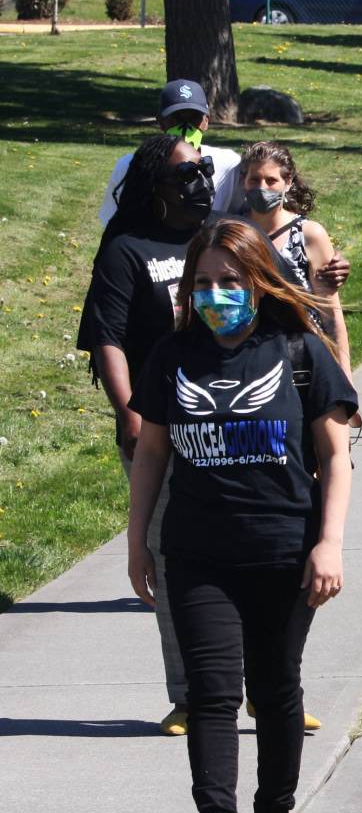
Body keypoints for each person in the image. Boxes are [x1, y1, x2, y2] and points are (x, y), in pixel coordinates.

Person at [127, 217, 357, 813]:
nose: (215, 293)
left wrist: (329, 543)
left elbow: (335, 456)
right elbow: (149, 452)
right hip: (197, 553)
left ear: (259, 281)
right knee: (211, 694)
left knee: (275, 684)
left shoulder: (297, 351)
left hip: (285, 549)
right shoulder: (172, 358)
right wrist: (138, 540)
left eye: (230, 280)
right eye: (202, 282)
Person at [78, 134, 214, 737]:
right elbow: (106, 337)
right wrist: (129, 412)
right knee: (170, 554)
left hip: (228, 419)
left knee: (254, 551)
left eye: (204, 171)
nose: (200, 183)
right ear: (155, 186)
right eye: (186, 175)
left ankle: (267, 689)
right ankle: (188, 696)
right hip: (158, 427)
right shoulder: (125, 249)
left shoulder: (217, 243)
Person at [240, 141, 351, 376]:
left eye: (271, 181)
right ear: (243, 182)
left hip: (303, 358)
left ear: (287, 182)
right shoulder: (234, 232)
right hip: (250, 357)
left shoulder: (308, 234)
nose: (262, 187)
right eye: (254, 180)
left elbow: (330, 312)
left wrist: (345, 377)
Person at [99, 80, 242, 227]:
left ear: (206, 121)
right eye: (176, 118)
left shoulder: (229, 165)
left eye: (194, 118)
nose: (186, 127)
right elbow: (113, 221)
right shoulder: (131, 167)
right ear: (161, 122)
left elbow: (240, 218)